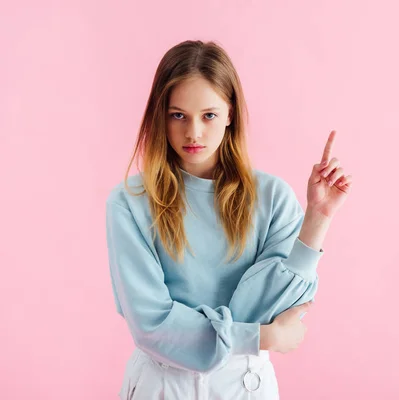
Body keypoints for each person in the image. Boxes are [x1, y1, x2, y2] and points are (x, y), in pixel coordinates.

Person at [105, 39, 353, 399]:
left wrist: (318, 217)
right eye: (178, 115)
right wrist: (262, 336)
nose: (194, 133)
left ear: (230, 114)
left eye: (209, 115)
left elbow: (277, 306)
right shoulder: (129, 202)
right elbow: (152, 324)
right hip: (162, 385)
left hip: (244, 385)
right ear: (160, 115)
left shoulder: (272, 197)